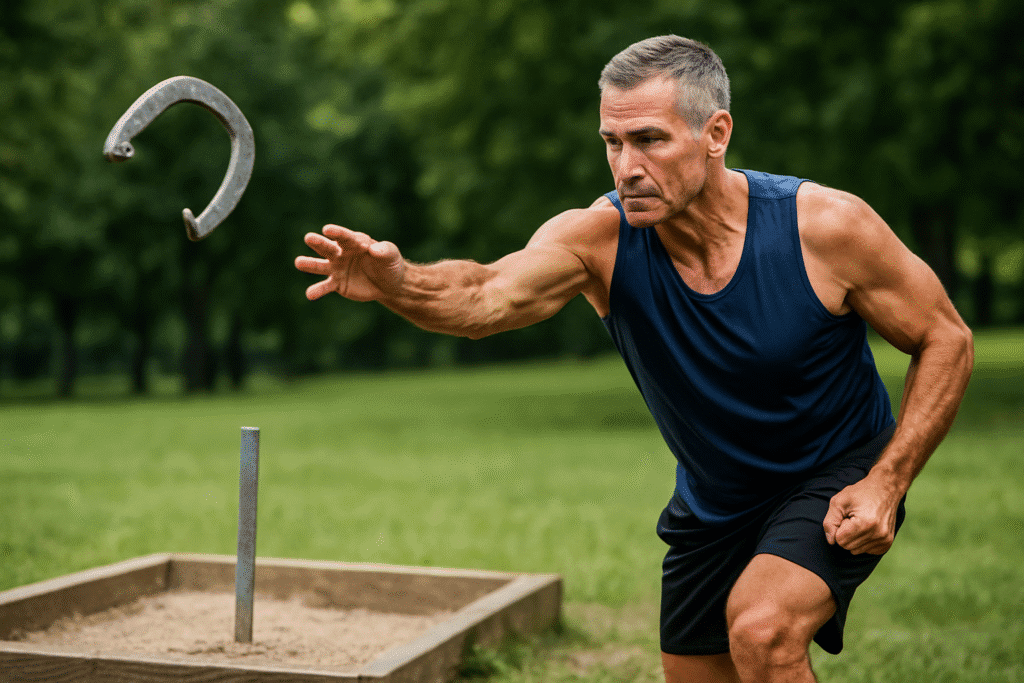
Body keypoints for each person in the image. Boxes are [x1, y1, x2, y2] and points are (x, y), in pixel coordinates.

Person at [295, 35, 973, 683]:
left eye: (649, 139)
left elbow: (947, 338)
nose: (626, 166)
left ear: (716, 134)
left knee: (763, 630)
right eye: (612, 143)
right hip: (714, 501)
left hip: (834, 467)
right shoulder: (599, 240)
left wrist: (887, 481)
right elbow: (484, 296)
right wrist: (399, 282)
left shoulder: (826, 227)